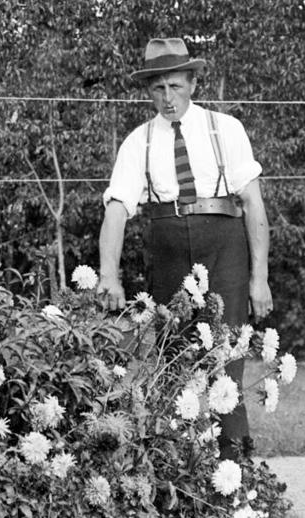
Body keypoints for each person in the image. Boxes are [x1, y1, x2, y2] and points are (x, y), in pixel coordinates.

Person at [96, 38, 274, 461]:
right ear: (148, 91)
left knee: (227, 360)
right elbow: (118, 212)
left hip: (225, 247)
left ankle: (235, 479)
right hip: (168, 250)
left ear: (193, 83)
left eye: (175, 86)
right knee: (175, 362)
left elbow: (253, 206)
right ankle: (183, 473)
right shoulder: (137, 142)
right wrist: (108, 275)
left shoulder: (225, 128)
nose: (167, 98)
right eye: (158, 89)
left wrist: (260, 278)